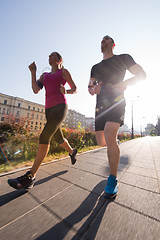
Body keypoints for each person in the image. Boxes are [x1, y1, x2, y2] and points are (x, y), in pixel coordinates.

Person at [8, 52, 77, 190]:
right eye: (49, 56)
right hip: (48, 110)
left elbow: (74, 88)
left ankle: (30, 177)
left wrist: (66, 92)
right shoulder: (44, 76)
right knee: (58, 138)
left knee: (44, 136)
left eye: (53, 56)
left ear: (59, 60)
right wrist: (33, 72)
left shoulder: (63, 72)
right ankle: (72, 151)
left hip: (60, 107)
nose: (49, 57)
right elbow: (35, 90)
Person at [88, 35, 146, 198]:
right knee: (102, 142)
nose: (103, 41)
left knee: (109, 135)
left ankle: (112, 179)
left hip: (116, 101)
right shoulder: (95, 67)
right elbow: (90, 87)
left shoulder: (123, 58)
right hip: (101, 105)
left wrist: (126, 83)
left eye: (106, 39)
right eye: (101, 40)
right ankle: (114, 144)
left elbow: (142, 75)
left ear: (113, 44)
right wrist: (94, 90)